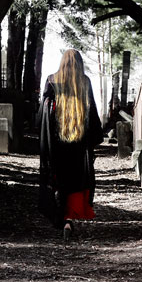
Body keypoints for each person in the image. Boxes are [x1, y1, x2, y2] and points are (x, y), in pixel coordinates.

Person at [38, 49, 103, 240]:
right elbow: (91, 111)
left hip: (57, 141)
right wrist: (94, 138)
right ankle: (69, 219)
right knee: (75, 181)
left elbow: (44, 111)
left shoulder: (51, 80)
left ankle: (60, 218)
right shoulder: (85, 81)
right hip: (78, 141)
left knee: (58, 179)